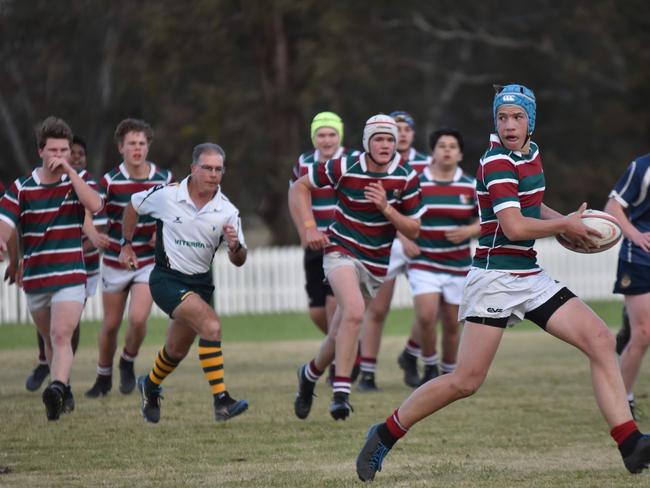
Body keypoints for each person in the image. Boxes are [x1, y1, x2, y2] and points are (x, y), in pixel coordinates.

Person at [356, 84, 650, 481]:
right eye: (502, 117)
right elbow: (512, 226)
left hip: (528, 274)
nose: (509, 125)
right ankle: (385, 433)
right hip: (494, 278)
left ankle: (630, 444)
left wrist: (565, 222)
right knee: (465, 381)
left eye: (517, 117)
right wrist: (564, 224)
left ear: (531, 120)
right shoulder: (496, 161)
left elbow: (531, 204)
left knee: (599, 339)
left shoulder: (531, 153)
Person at [289, 114, 423, 421]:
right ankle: (341, 394)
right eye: (378, 138)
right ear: (367, 142)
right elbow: (299, 187)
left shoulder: (406, 177)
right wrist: (309, 227)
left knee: (338, 332)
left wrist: (386, 207)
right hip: (340, 250)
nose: (385, 144)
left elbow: (414, 229)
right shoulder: (345, 165)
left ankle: (309, 375)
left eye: (390, 139)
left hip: (376, 262)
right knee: (352, 312)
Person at [124, 143, 248, 423]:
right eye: (207, 168)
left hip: (200, 285)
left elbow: (240, 259)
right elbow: (133, 206)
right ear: (193, 168)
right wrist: (127, 245)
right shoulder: (168, 195)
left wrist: (235, 247)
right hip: (166, 279)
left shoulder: (227, 211)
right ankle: (221, 401)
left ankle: (150, 385)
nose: (213, 174)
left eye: (218, 169)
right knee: (212, 327)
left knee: (176, 350)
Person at [0, 116, 103, 420]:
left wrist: (71, 172)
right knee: (49, 341)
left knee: (61, 335)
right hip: (36, 278)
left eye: (64, 151)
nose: (58, 156)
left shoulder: (76, 182)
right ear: (40, 152)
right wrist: (3, 243)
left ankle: (56, 388)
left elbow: (95, 205)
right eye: (53, 151)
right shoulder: (22, 188)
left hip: (70, 275)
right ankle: (64, 388)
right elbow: (6, 223)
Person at [86, 119, 173, 398]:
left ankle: (127, 360)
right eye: (132, 144)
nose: (137, 148)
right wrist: (100, 239)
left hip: (147, 261)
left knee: (137, 319)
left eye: (142, 143)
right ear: (121, 148)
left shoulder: (164, 179)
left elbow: (175, 215)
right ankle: (103, 377)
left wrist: (162, 235)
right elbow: (93, 218)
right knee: (111, 325)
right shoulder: (110, 182)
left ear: (149, 147)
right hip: (115, 260)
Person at [24, 136, 107, 395]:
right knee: (54, 327)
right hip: (46, 265)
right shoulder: (31, 184)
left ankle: (59, 379)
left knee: (65, 325)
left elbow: (87, 211)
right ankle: (51, 371)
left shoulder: (84, 182)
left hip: (81, 265)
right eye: (71, 152)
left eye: (76, 153)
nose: (74, 157)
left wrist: (92, 237)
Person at [357, 111, 431, 392]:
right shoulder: (373, 163)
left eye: (405, 129)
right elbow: (372, 205)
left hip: (419, 240)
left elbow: (423, 206)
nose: (400, 134)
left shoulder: (425, 163)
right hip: (388, 243)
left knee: (430, 307)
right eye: (394, 129)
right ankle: (367, 373)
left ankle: (411, 353)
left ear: (410, 134)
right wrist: (402, 234)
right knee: (377, 310)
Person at [401, 129, 479, 387]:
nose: (446, 150)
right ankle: (430, 366)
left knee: (451, 324)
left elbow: (487, 220)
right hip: (423, 261)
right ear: (432, 152)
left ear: (460, 154)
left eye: (452, 146)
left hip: (458, 265)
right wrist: (404, 238)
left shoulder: (470, 185)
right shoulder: (416, 182)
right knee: (425, 315)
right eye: (441, 146)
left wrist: (469, 230)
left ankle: (448, 373)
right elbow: (397, 213)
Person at [605, 152, 650, 420]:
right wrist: (635, 235)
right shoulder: (642, 167)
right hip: (640, 259)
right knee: (644, 334)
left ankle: (629, 323)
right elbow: (613, 207)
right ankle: (623, 401)